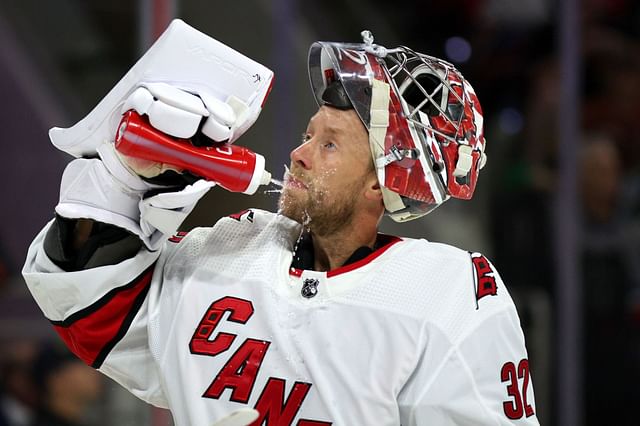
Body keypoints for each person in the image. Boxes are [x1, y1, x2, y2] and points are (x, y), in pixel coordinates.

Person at [22, 29, 538, 425]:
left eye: (329, 144)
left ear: (382, 183)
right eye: (308, 134)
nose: (298, 153)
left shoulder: (448, 293)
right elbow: (87, 309)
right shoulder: (231, 248)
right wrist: (122, 179)